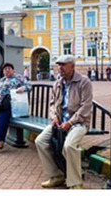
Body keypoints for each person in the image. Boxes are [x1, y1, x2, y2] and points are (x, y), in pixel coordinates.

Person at [35, 55, 93, 189]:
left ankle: (75, 183)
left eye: (63, 64)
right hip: (60, 122)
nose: (60, 67)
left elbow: (86, 106)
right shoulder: (58, 83)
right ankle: (56, 176)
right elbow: (52, 104)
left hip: (79, 122)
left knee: (69, 146)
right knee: (40, 141)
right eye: (58, 65)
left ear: (72, 66)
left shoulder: (84, 82)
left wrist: (71, 123)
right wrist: (54, 116)